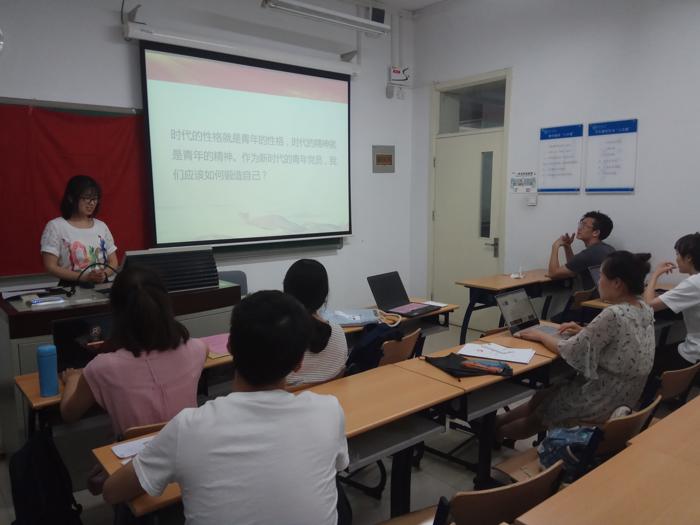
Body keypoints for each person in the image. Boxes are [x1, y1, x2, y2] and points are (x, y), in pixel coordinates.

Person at [102, 290, 350, 525]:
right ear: (299, 362)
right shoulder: (328, 411)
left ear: (230, 347)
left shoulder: (189, 428)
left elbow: (112, 492)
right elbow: (336, 468)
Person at [496, 251, 655, 440]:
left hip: (601, 399)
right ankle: (498, 422)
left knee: (542, 414)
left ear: (617, 283)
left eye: (601, 276)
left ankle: (493, 435)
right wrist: (584, 331)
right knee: (545, 393)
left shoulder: (613, 314)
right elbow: (622, 340)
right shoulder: (644, 308)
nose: (598, 282)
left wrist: (540, 336)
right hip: (624, 395)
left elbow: (570, 349)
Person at [60, 265, 208, 436]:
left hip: (136, 453)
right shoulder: (198, 349)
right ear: (166, 304)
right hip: (186, 447)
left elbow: (69, 414)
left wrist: (72, 378)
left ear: (115, 310)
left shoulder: (102, 368)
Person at [41, 175, 118, 285]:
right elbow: (50, 266)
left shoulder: (101, 226)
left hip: (101, 285)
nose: (92, 203)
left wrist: (104, 274)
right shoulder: (56, 226)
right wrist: (84, 278)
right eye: (87, 198)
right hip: (71, 286)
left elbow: (113, 262)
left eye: (95, 198)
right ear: (71, 198)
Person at [284, 259, 348, 386]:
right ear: (324, 295)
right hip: (332, 395)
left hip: (290, 398)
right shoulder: (338, 333)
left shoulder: (279, 337)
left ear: (286, 290)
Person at [644, 232, 700, 372]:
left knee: (646, 360)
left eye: (677, 254)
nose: (676, 259)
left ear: (689, 257)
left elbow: (648, 305)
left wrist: (655, 274)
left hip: (694, 353)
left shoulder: (693, 283)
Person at [547, 211, 615, 290]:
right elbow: (574, 267)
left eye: (584, 225)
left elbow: (553, 274)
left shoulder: (590, 254)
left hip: (593, 297)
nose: (579, 228)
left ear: (596, 232)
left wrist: (555, 246)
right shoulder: (607, 249)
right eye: (580, 224)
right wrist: (567, 246)